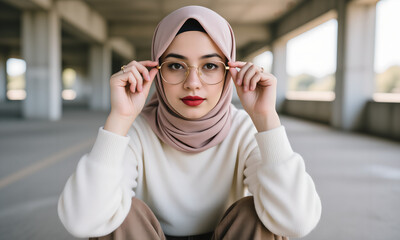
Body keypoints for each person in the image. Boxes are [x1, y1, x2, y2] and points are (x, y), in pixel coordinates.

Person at [58, 5, 321, 240]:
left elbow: (297, 222)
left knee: (260, 215)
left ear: (230, 72)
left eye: (209, 66)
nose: (192, 83)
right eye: (175, 66)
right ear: (156, 72)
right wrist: (119, 119)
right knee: (115, 216)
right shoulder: (136, 130)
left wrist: (266, 120)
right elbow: (83, 222)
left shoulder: (244, 130)